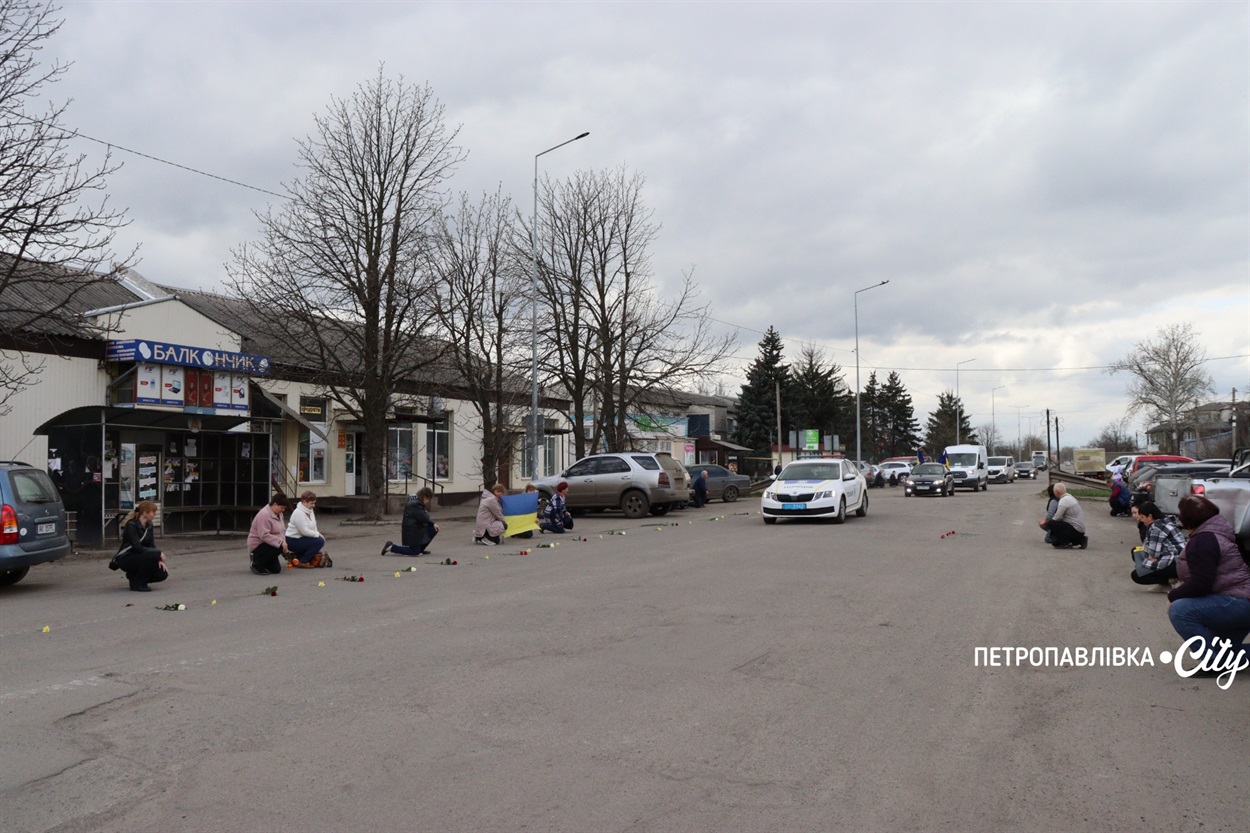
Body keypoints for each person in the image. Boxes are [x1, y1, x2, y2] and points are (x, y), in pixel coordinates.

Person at [1166, 496, 1250, 673]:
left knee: (1180, 610)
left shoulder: (1204, 540)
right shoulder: (1220, 533)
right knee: (1226, 655)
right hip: (1240, 601)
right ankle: (1221, 660)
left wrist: (1173, 595)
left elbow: (1201, 583)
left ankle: (1213, 664)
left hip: (1238, 603)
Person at [108, 500, 169, 592]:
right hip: (127, 558)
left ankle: (134, 578)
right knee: (153, 555)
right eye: (153, 512)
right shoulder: (131, 526)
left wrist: (157, 558)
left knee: (162, 573)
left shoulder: (149, 525)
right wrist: (158, 553)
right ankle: (139, 583)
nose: (154, 514)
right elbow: (137, 547)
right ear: (145, 513)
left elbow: (151, 545)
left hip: (142, 556)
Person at [1130, 501, 1185, 590]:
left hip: (1174, 562)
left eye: (1143, 517)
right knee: (1136, 552)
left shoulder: (1156, 527)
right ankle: (1165, 580)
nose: (1142, 520)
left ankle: (1169, 581)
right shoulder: (1166, 521)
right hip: (1181, 559)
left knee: (1137, 574)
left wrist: (1151, 556)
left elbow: (1153, 553)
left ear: (1150, 516)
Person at [383, 487, 438, 556]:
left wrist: (433, 524)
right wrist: (430, 520)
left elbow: (422, 517)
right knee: (414, 552)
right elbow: (424, 518)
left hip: (415, 528)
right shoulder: (416, 504)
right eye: (429, 499)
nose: (429, 501)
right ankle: (391, 547)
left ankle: (420, 549)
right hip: (412, 530)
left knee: (433, 528)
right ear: (425, 497)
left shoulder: (417, 502)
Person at [285, 490, 331, 568]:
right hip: (292, 540)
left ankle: (297, 557)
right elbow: (304, 531)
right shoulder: (298, 513)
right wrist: (318, 535)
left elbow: (314, 526)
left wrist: (317, 535)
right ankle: (303, 561)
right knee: (319, 542)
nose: (313, 505)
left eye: (314, 503)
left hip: (301, 538)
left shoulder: (309, 511)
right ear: (304, 502)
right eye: (311, 503)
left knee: (318, 541)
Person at [248, 493, 289, 575]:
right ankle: (256, 563)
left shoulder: (279, 514)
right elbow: (264, 535)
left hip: (270, 543)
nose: (283, 510)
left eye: (284, 508)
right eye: (282, 508)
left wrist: (284, 543)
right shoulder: (264, 515)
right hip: (259, 544)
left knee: (276, 569)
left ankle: (264, 561)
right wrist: (281, 542)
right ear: (275, 504)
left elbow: (281, 531)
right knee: (279, 546)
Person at [1038, 482, 1087, 549]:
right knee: (1055, 543)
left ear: (1056, 492)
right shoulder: (1070, 497)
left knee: (1051, 523)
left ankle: (1066, 543)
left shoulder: (1064, 500)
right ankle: (1081, 540)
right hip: (1080, 530)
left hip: (1075, 529)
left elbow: (1057, 518)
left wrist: (1045, 521)